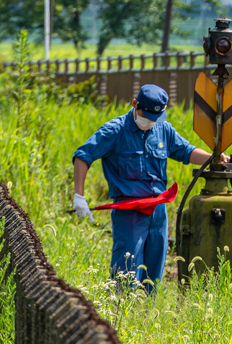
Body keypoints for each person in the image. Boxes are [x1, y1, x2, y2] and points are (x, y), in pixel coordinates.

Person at [72, 84, 211, 290]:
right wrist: (79, 196)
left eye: (155, 118)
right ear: (135, 104)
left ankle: (146, 314)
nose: (150, 123)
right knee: (126, 270)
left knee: (153, 274)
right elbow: (83, 156)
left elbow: (186, 151)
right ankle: (121, 315)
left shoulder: (163, 129)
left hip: (158, 211)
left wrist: (214, 158)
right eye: (146, 116)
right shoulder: (115, 130)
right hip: (129, 212)